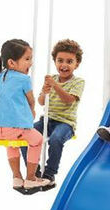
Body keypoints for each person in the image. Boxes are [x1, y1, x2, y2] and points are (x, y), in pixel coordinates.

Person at [0, 39, 51, 192]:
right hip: (15, 129)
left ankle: (16, 177)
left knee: (12, 143)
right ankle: (31, 178)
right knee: (37, 140)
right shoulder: (24, 79)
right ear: (11, 62)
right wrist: (32, 111)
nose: (31, 63)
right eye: (27, 59)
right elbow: (31, 100)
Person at [21, 39, 85, 184]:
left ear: (76, 64)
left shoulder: (78, 82)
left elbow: (68, 100)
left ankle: (50, 174)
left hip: (65, 124)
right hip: (46, 120)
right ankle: (34, 170)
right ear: (55, 61)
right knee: (24, 135)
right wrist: (45, 91)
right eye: (60, 60)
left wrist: (55, 86)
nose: (64, 65)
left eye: (69, 61)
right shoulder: (52, 79)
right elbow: (41, 101)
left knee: (56, 139)